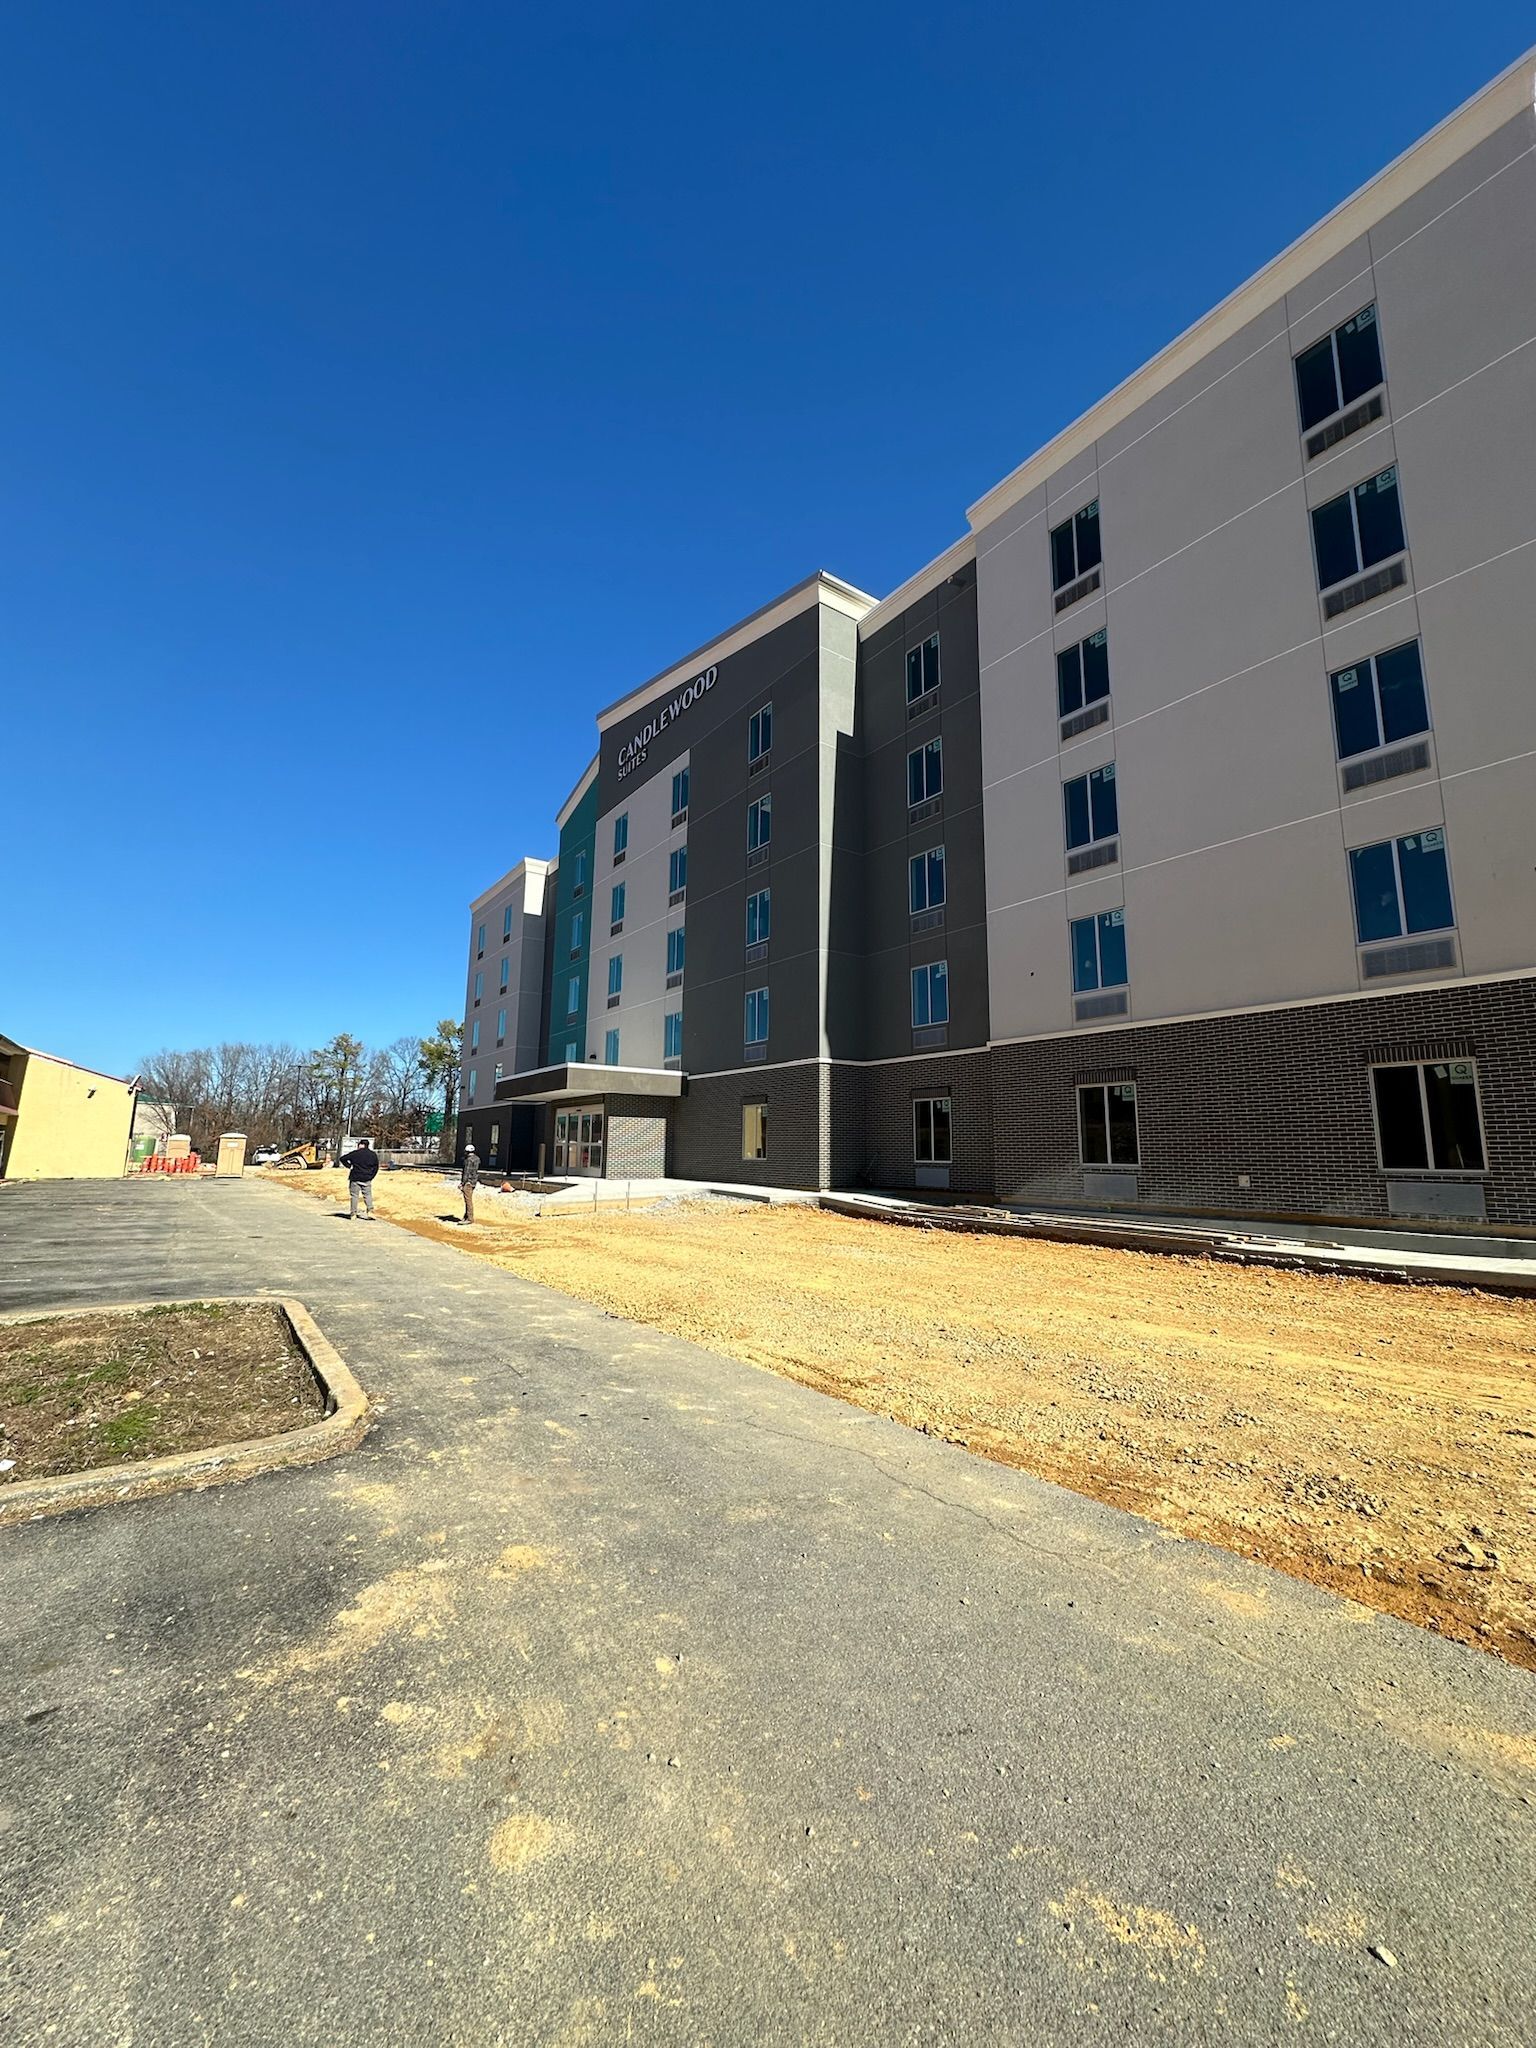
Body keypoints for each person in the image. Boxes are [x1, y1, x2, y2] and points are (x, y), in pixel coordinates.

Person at [339, 1136, 380, 1219]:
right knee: (368, 1195)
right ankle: (370, 1211)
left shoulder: (355, 1153)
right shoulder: (372, 1155)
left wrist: (349, 1166)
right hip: (367, 1178)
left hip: (355, 1177)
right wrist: (371, 1176)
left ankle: (353, 1214)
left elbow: (342, 1158)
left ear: (361, 1145)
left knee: (354, 1196)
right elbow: (376, 1167)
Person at [460, 1138, 479, 1224]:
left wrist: (462, 1183)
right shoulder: (477, 1159)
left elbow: (466, 1172)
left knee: (468, 1200)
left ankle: (469, 1218)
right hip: (474, 1181)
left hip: (468, 1182)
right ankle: (466, 1216)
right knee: (469, 1199)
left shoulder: (468, 1160)